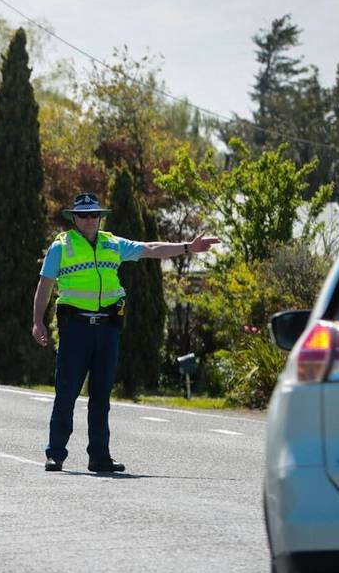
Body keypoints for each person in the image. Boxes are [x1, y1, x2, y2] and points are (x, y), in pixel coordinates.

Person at [31, 193, 219, 473]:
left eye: (95, 214)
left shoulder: (112, 243)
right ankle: (55, 454)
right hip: (76, 329)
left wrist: (187, 248)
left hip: (107, 329)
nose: (90, 220)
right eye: (84, 215)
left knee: (101, 395)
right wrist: (38, 322)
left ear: (100, 217)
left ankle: (99, 457)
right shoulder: (61, 247)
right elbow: (44, 286)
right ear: (74, 218)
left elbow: (151, 248)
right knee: (66, 393)